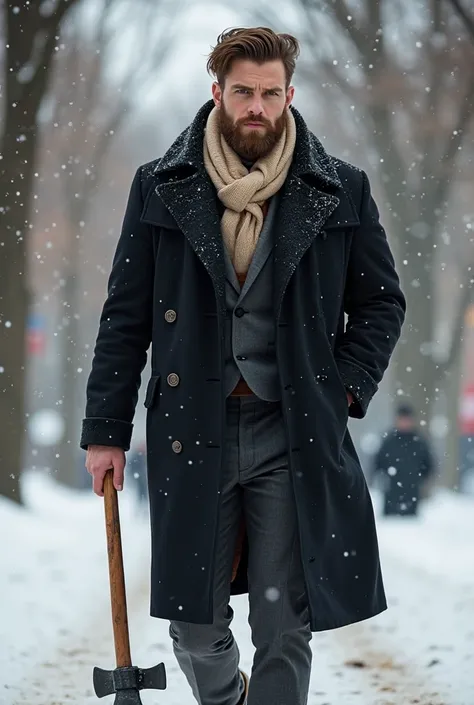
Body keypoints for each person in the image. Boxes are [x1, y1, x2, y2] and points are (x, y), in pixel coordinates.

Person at [82, 27, 406, 705]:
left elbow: (380, 303)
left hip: (291, 429)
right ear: (217, 94)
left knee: (285, 623)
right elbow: (125, 317)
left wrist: (342, 385)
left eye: (268, 93)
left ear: (288, 94)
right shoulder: (160, 187)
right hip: (189, 428)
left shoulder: (340, 189)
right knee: (194, 628)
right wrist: (104, 429)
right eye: (242, 93)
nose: (256, 107)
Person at [372, 404, 434, 516]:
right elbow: (377, 463)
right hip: (390, 498)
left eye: (407, 419)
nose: (404, 422)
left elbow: (428, 465)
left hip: (412, 497)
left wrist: (418, 479)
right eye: (402, 419)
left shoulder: (419, 442)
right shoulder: (389, 441)